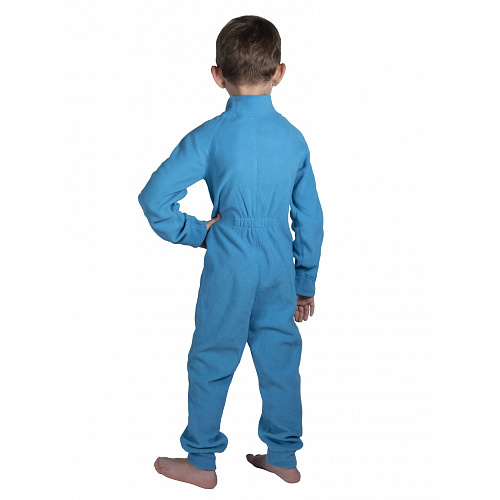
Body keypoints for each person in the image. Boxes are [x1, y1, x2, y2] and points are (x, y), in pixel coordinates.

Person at [138, 15, 324, 489]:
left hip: (230, 263)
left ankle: (201, 462)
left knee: (211, 358)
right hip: (278, 265)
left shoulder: (210, 136)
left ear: (217, 75)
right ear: (279, 72)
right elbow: (311, 218)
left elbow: (154, 199)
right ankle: (283, 456)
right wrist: (304, 281)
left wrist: (198, 232)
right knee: (280, 361)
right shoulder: (294, 139)